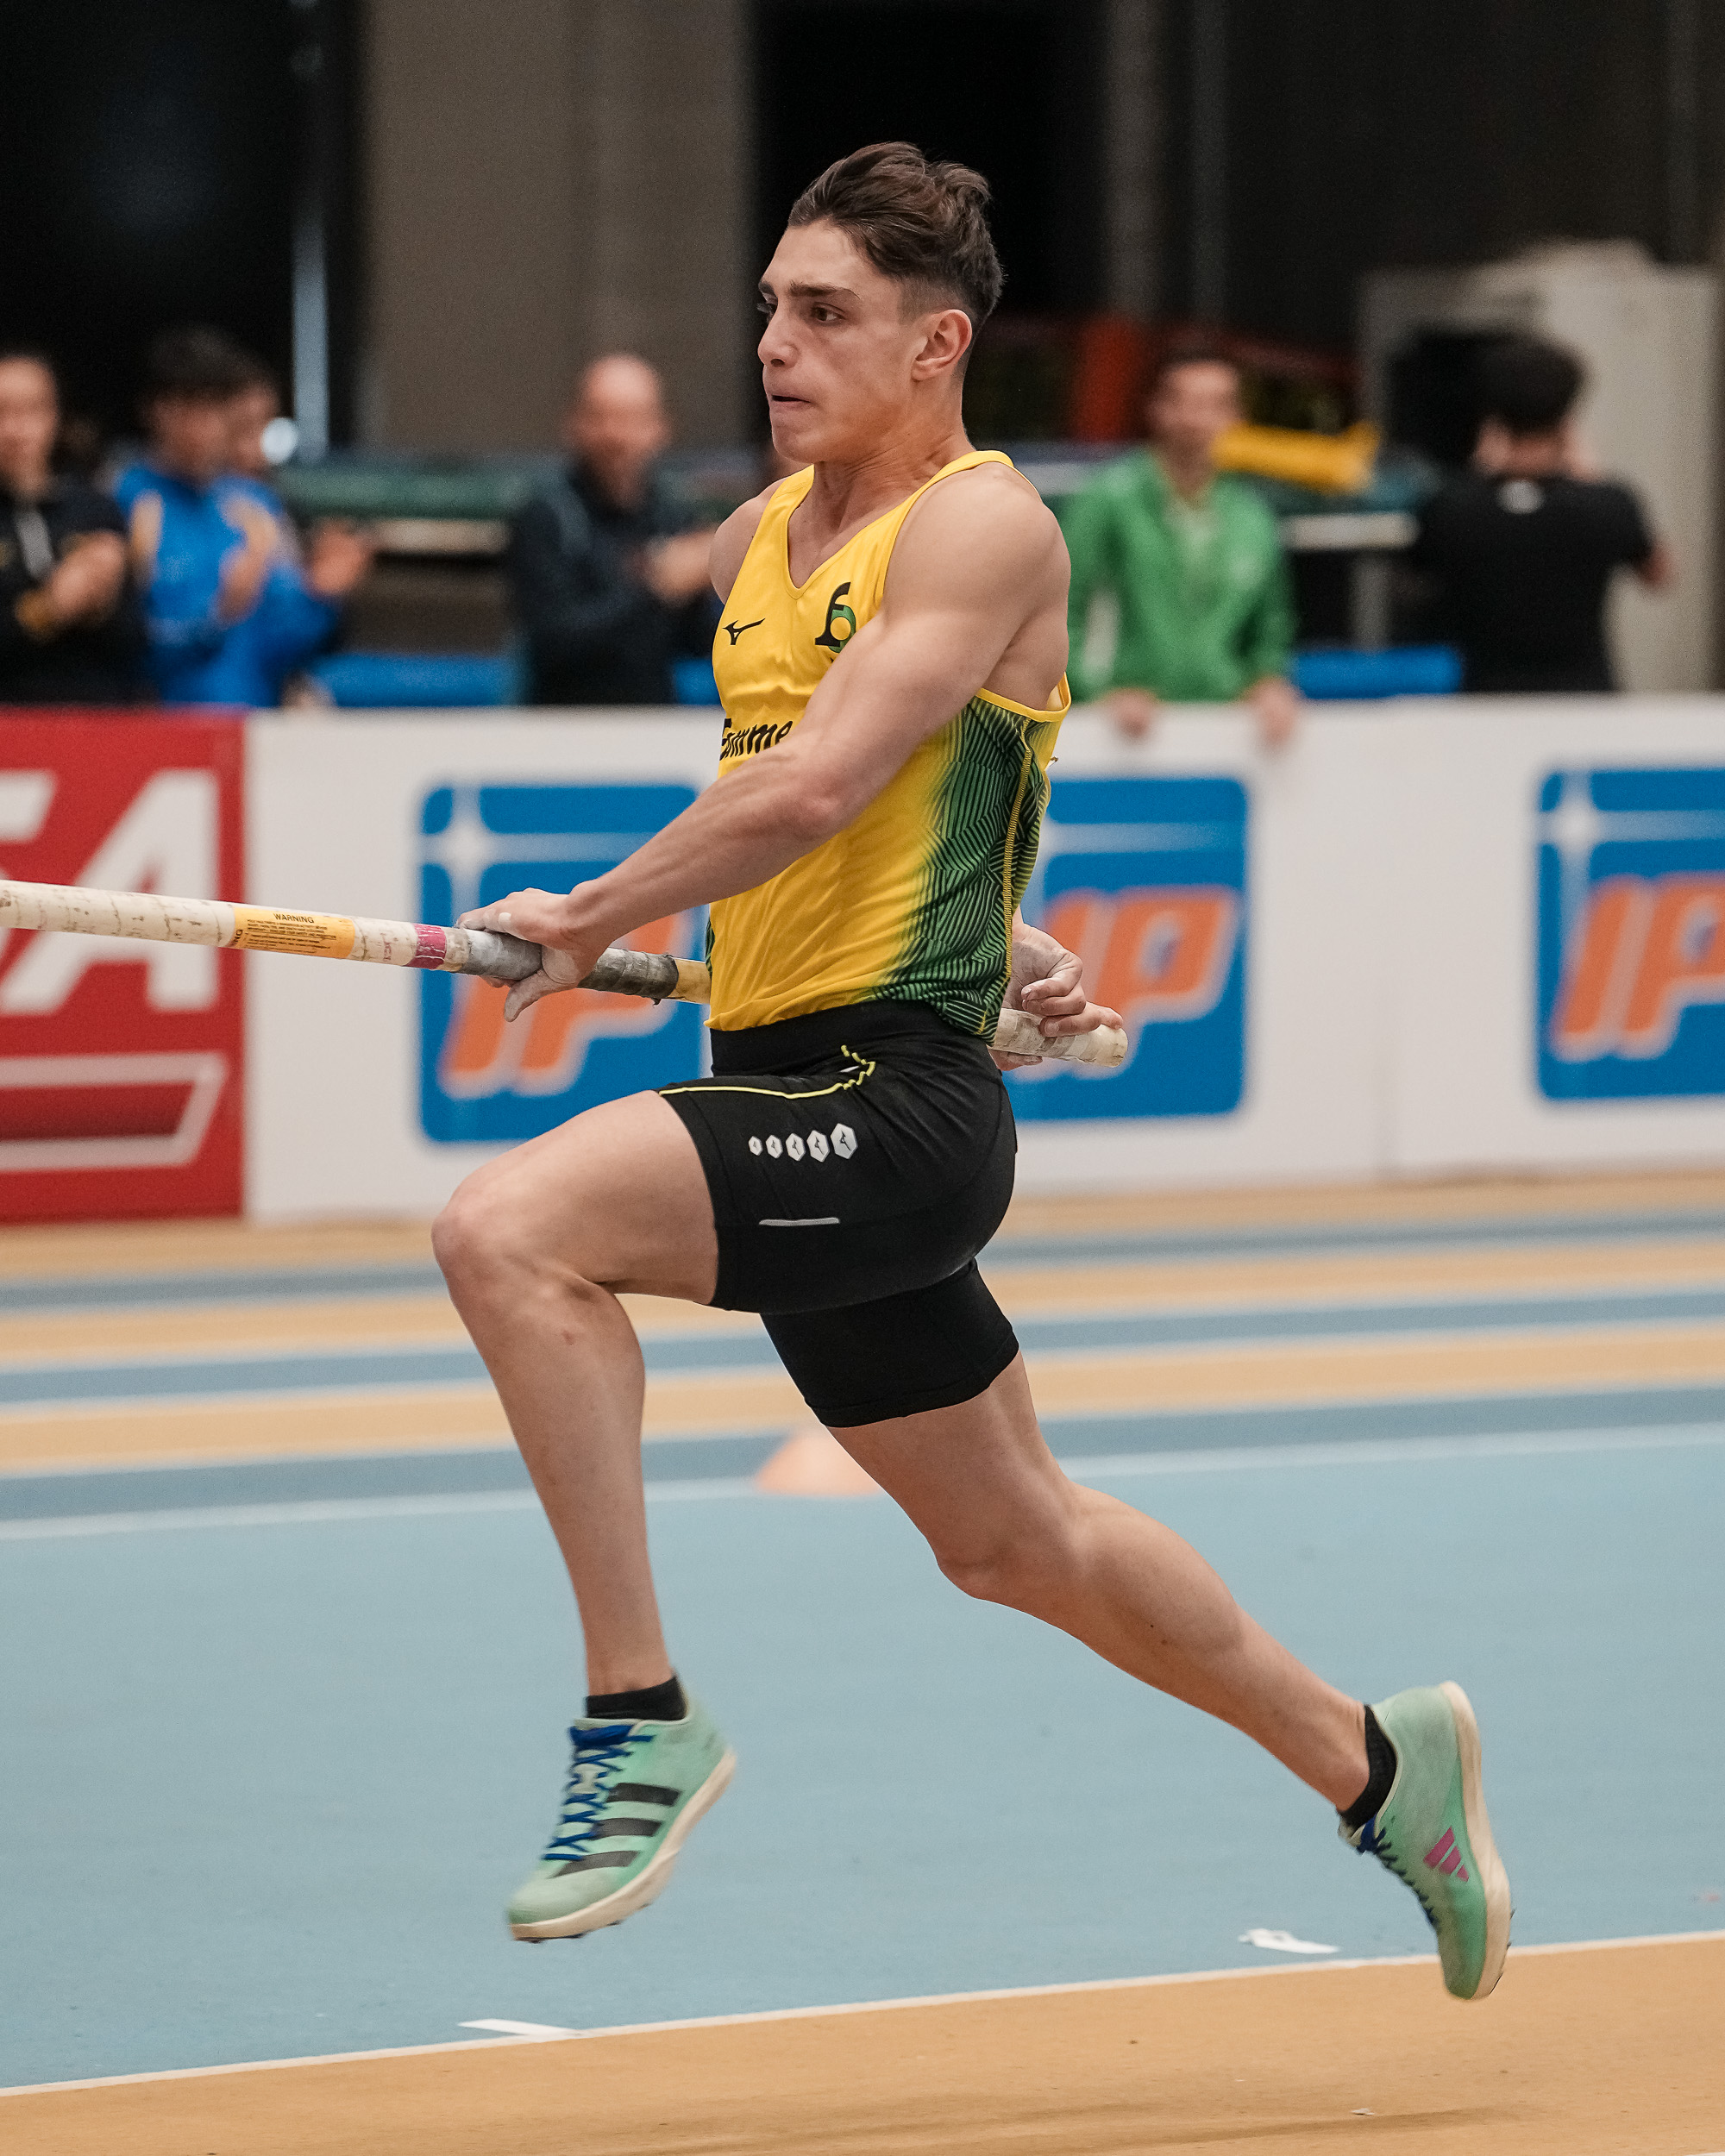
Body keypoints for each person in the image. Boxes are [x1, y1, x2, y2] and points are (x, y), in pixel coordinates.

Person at [434, 142, 1509, 2003]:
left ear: (936, 344)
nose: (774, 344)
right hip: (790, 1071)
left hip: (896, 1106)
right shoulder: (755, 545)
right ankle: (1376, 1763)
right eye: (769, 307)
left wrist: (592, 910)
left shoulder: (986, 527)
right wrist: (985, 936)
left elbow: (822, 786)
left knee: (506, 1229)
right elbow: (863, 813)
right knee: (1018, 1543)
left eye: (823, 312)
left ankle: (638, 1712)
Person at [113, 328, 366, 707]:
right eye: (186, 407)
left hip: (253, 723)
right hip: (165, 727)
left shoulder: (256, 507)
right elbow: (121, 653)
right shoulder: (126, 501)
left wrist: (319, 596)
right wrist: (217, 617)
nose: (201, 426)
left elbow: (281, 650)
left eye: (214, 408)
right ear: (155, 411)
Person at [1063, 347, 1300, 749]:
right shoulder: (1107, 501)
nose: (1197, 419)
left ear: (1237, 416)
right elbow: (1059, 609)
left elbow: (1270, 629)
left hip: (1222, 725)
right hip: (1115, 731)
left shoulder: (1252, 518)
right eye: (1184, 402)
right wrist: (1096, 691)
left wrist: (1268, 681)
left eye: (1215, 405)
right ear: (1156, 409)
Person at [1409, 335, 1672, 693]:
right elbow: (1659, 576)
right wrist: (1592, 480)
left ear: (1493, 417)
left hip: (1485, 702)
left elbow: (1414, 583)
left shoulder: (1451, 507)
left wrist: (1478, 474)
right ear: (1568, 417)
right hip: (1586, 700)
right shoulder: (1608, 504)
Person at [507, 354, 719, 705]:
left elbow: (699, 641)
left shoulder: (673, 516)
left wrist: (721, 584)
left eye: (632, 420)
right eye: (601, 417)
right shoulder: (547, 517)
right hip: (561, 722)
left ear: (660, 428)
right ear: (574, 424)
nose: (616, 435)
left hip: (653, 720)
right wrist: (657, 588)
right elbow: (554, 642)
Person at [0, 348, 142, 704]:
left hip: (94, 715)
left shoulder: (96, 509)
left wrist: (106, 600)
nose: (15, 429)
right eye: (2, 411)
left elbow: (136, 640)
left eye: (32, 410)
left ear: (55, 416)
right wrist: (47, 609)